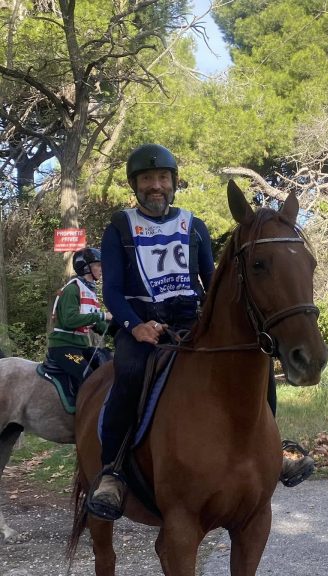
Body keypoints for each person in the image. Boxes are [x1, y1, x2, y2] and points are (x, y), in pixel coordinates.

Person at [88, 143, 312, 520]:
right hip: (141, 324)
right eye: (147, 179)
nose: (155, 186)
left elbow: (212, 283)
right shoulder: (119, 227)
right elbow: (110, 289)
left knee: (257, 363)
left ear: (173, 183)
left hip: (189, 321)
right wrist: (135, 325)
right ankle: (111, 470)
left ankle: (274, 449)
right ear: (135, 185)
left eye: (162, 178)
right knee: (128, 372)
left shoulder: (193, 226)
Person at [47, 247, 112, 394]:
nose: (102, 269)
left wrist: (119, 328)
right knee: (88, 376)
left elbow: (96, 323)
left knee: (108, 365)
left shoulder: (89, 291)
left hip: (81, 346)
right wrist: (102, 315)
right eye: (98, 265)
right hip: (63, 348)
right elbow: (70, 320)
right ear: (87, 267)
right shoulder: (72, 290)